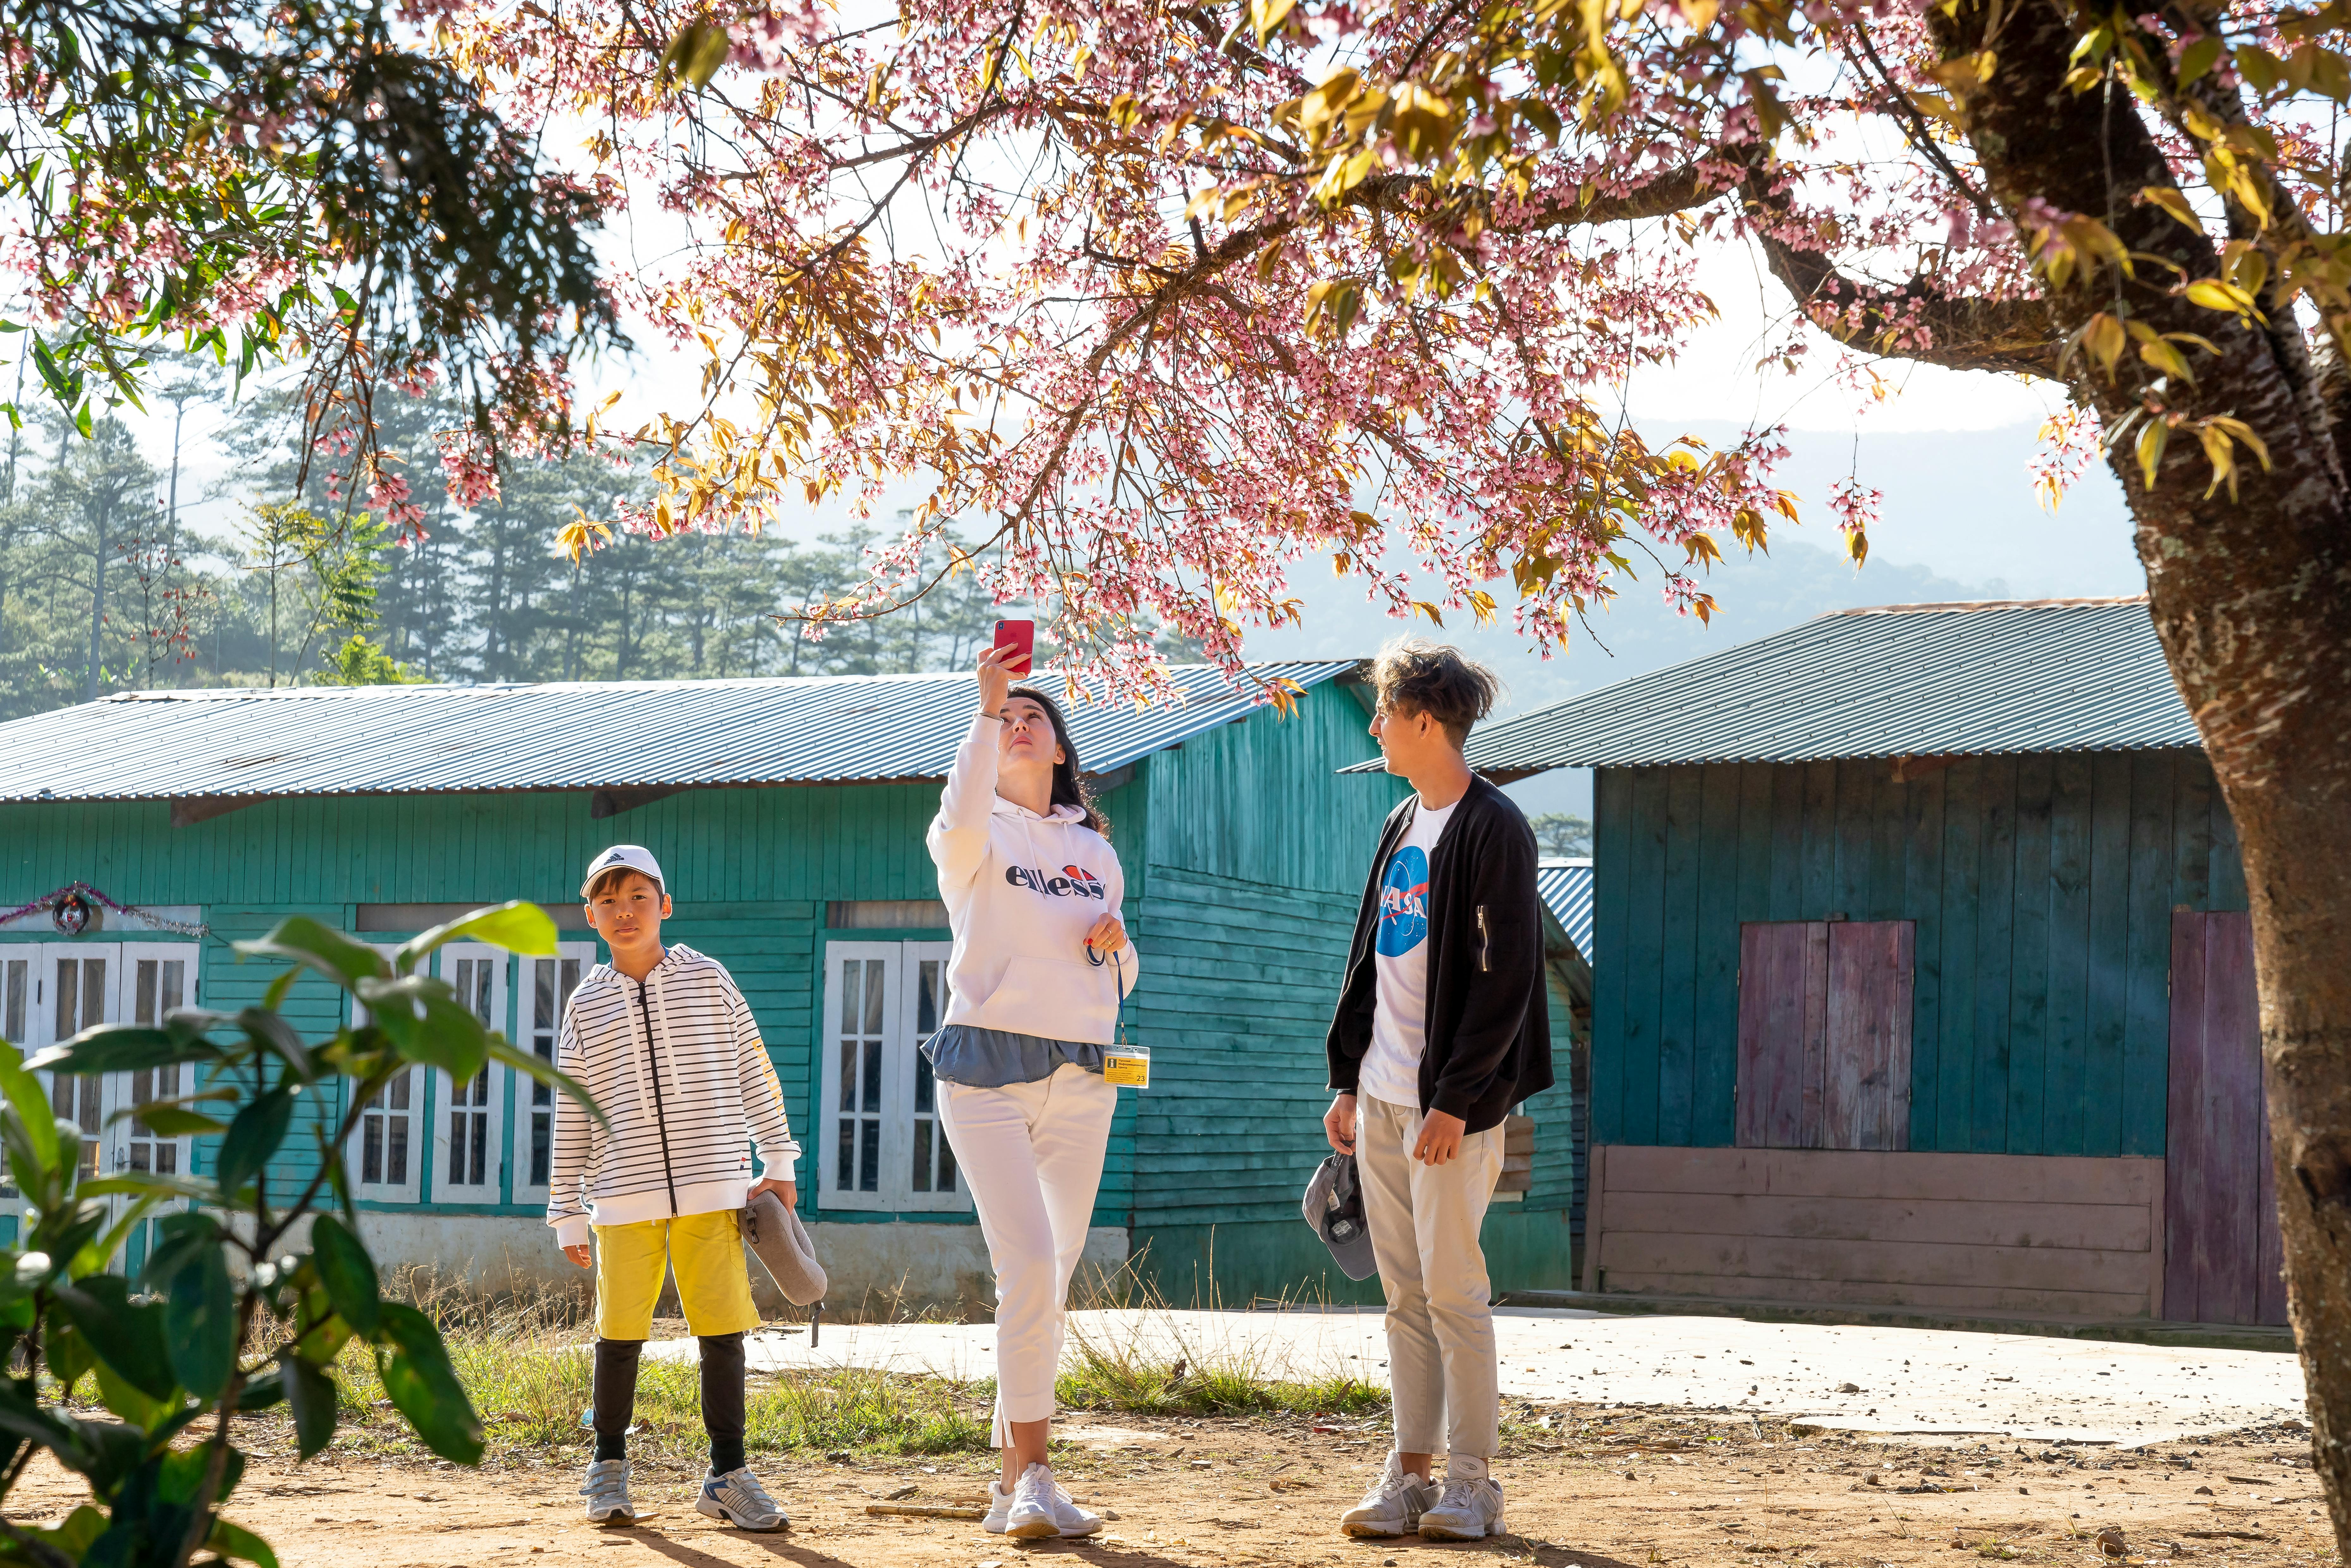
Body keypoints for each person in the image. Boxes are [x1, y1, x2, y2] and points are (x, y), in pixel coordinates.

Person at [1321, 639, 1554, 1543]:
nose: (1374, 726)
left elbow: (1507, 983)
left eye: (1383, 712)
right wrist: (1346, 1079)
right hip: (1379, 1097)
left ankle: (1472, 1484)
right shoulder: (1398, 823)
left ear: (1425, 721)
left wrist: (1456, 1101)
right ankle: (1408, 1475)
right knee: (1402, 1296)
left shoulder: (1495, 828)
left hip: (1453, 1107)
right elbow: (1370, 960)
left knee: (1454, 1291)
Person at [924, 641, 1138, 1541]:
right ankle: (1037, 1475)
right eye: (1005, 720)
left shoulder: (1095, 850)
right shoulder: (970, 836)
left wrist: (1115, 946)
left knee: (1047, 1283)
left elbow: (1122, 975)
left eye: (1032, 718)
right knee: (1029, 1265)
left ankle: (1008, 1479)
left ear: (1059, 750)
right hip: (984, 1074)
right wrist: (982, 706)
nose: (1018, 725)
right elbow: (961, 808)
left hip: (1084, 1076)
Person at [547, 844, 802, 1532]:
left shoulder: (710, 980)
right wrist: (565, 1207)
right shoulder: (586, 1002)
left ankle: (727, 1472)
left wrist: (778, 1155)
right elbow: (571, 1108)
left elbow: (754, 1068)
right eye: (608, 900)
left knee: (722, 1331)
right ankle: (607, 1466)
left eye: (637, 896)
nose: (624, 911)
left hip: (713, 1188)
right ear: (590, 915)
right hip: (621, 1196)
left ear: (664, 905)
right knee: (618, 1335)